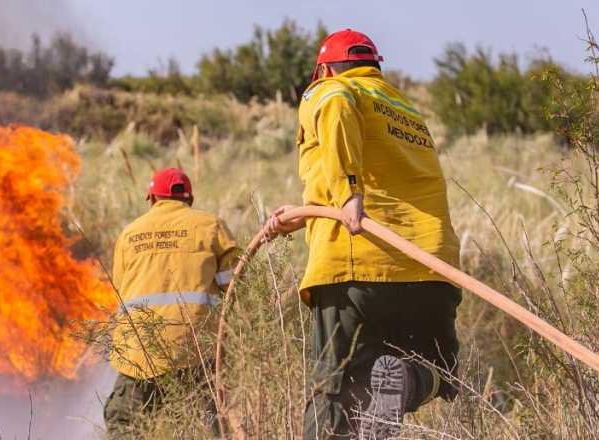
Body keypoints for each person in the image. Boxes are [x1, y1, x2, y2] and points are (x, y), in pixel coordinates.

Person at [268, 29, 463, 439]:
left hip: (357, 264)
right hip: (430, 265)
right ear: (375, 67)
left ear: (323, 69)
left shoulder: (331, 90)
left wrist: (348, 190)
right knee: (435, 371)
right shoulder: (403, 108)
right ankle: (408, 382)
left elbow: (336, 110)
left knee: (336, 392)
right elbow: (391, 185)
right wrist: (306, 214)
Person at [104, 167, 239, 437]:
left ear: (152, 198)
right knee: (202, 427)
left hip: (137, 353)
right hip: (193, 351)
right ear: (189, 200)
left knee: (125, 425)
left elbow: (120, 289)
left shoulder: (129, 235)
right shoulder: (210, 226)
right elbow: (235, 285)